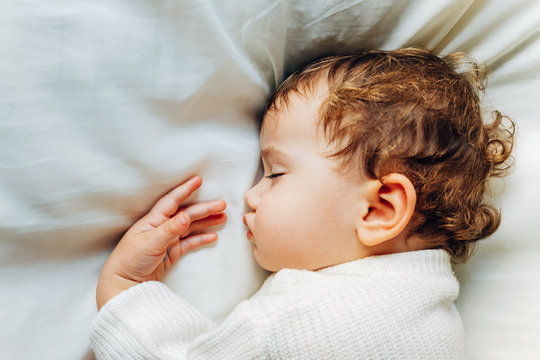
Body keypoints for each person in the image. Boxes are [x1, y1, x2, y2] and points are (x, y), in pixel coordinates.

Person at [90, 47, 515, 359]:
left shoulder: (292, 321)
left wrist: (124, 289)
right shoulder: (439, 323)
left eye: (275, 173)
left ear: (379, 209)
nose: (250, 195)